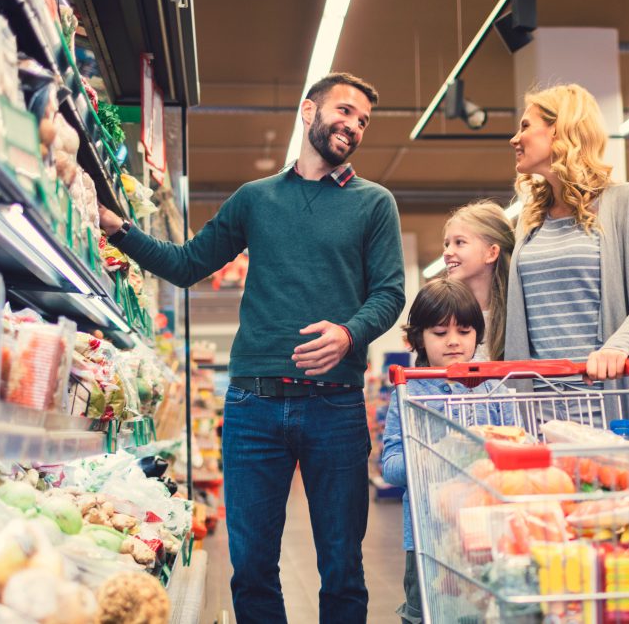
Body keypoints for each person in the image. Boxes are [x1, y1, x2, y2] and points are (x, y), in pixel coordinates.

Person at [98, 73, 406, 624]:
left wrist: (349, 333)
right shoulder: (255, 200)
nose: (353, 125)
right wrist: (118, 228)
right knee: (253, 567)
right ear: (308, 110)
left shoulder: (374, 204)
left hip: (335, 406)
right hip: (252, 408)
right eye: (344, 110)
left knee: (342, 568)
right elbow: (187, 264)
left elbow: (389, 293)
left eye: (363, 120)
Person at [504, 83, 629, 416]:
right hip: (539, 410)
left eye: (525, 126)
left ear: (559, 130)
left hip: (608, 405)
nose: (514, 139)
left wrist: (620, 347)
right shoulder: (530, 219)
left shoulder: (627, 201)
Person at [381, 278, 520, 624]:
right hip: (429, 540)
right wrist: (431, 453)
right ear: (419, 339)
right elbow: (391, 466)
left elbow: (518, 454)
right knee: (426, 614)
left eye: (465, 331)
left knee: (491, 614)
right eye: (440, 333)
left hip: (492, 536)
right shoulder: (409, 394)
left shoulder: (497, 388)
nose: (454, 342)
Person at [441, 200, 515, 361]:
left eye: (459, 242)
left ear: (491, 253)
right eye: (447, 244)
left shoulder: (516, 316)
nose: (447, 252)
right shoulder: (444, 314)